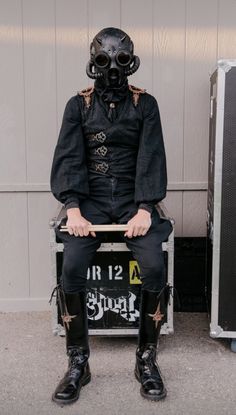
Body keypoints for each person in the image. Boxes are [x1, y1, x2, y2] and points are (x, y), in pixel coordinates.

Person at [50, 27, 172, 405]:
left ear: (131, 61)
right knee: (71, 267)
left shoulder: (145, 104)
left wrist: (145, 208)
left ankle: (146, 359)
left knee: (153, 266)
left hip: (135, 201)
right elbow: (69, 156)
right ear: (93, 62)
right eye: (104, 61)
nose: (112, 70)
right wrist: (73, 208)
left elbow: (151, 155)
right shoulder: (79, 105)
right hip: (91, 202)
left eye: (120, 60)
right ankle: (78, 361)